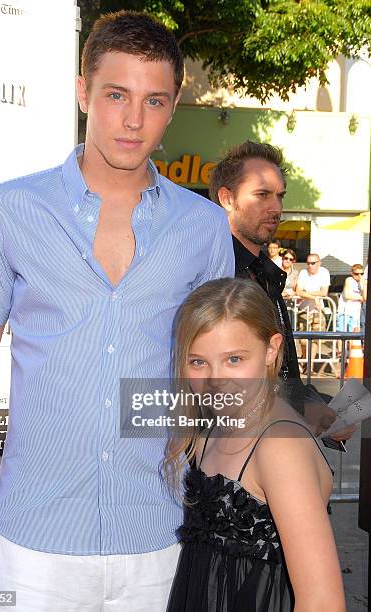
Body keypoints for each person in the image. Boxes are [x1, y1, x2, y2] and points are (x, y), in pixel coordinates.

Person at [0, 11, 234, 612]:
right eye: (116, 95)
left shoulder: (204, 227)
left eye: (154, 100)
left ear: (175, 103)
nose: (134, 120)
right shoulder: (8, 212)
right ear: (83, 91)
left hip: (160, 546)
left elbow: (216, 390)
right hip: (28, 550)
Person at [165, 277, 346, 612]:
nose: (216, 380)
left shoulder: (279, 447)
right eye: (198, 362)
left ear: (272, 349)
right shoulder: (215, 426)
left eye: (234, 359)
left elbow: (323, 601)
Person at [208, 141, 351, 435]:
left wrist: (315, 406)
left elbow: (282, 375)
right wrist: (300, 409)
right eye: (262, 195)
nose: (276, 208)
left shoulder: (264, 272)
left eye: (280, 196)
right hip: (232, 454)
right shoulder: (212, 273)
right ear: (227, 198)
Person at [295, 254, 330, 369]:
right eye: (308, 263)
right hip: (304, 309)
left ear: (319, 263)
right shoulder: (303, 273)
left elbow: (324, 292)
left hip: (318, 310)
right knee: (304, 340)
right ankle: (305, 359)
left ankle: (310, 364)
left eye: (313, 263)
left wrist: (307, 294)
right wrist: (314, 297)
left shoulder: (324, 272)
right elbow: (298, 291)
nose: (310, 265)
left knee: (315, 338)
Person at [336, 264, 366, 333]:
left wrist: (364, 285)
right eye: (356, 274)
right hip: (344, 312)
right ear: (352, 273)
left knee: (353, 335)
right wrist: (359, 298)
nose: (359, 276)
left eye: (361, 274)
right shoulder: (349, 280)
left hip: (355, 313)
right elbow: (347, 296)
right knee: (341, 333)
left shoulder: (362, 283)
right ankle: (340, 344)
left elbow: (364, 298)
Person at [281, 248, 299, 329]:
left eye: (291, 259)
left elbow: (297, 290)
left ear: (293, 261)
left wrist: (293, 293)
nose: (288, 260)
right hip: (277, 305)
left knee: (290, 330)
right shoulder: (274, 271)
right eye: (286, 258)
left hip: (290, 306)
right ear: (282, 258)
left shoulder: (295, 273)